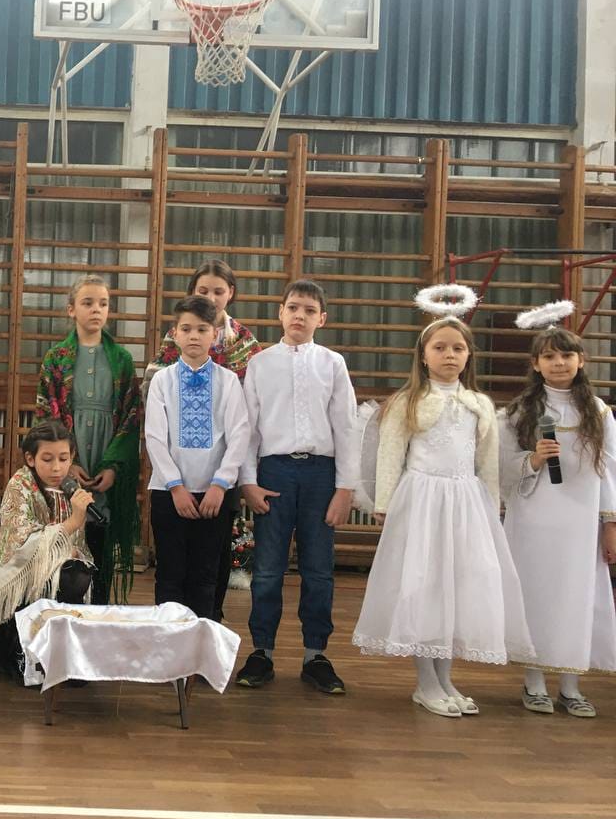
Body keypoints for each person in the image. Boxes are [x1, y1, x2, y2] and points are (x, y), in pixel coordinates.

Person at [352, 309, 534, 717]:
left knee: (457, 587)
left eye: (457, 348)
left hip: (465, 503)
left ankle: (446, 678)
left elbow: (486, 462)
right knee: (425, 586)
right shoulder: (409, 402)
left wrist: (491, 505)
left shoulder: (480, 404)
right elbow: (390, 454)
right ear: (423, 355)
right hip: (422, 501)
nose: (449, 355)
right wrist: (384, 503)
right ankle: (426, 682)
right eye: (440, 348)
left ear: (469, 355)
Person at [235, 279, 356, 694]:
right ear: (280, 313)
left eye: (309, 310)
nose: (299, 315)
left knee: (318, 570)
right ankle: (262, 652)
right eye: (293, 307)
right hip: (275, 472)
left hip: (321, 474)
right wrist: (248, 482)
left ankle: (315, 654)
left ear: (322, 319)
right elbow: (248, 429)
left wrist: (345, 489)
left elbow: (346, 426)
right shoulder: (260, 364)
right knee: (268, 569)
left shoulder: (333, 363)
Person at [499, 315, 616, 717]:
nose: (559, 363)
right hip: (534, 518)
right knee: (535, 595)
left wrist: (610, 524)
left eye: (567, 355)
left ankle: (571, 685)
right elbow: (499, 466)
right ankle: (533, 681)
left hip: (580, 524)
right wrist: (532, 460)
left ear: (581, 360)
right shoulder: (521, 411)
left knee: (576, 597)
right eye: (549, 356)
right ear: (535, 364)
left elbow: (610, 470)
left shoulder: (598, 411)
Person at [146, 258, 262, 607]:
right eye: (186, 329)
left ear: (215, 334)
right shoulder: (162, 380)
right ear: (175, 333)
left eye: (202, 329)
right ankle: (169, 640)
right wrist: (175, 486)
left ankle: (205, 641)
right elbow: (155, 437)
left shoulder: (228, 381)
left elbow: (239, 434)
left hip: (215, 493)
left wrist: (220, 484)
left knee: (207, 577)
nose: (194, 335)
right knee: (170, 576)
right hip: (169, 493)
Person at [33, 274, 141, 604]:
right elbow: (46, 415)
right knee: (63, 559)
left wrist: (112, 466)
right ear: (71, 309)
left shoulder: (121, 360)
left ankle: (99, 613)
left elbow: (131, 417)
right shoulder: (56, 358)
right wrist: (69, 463)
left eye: (103, 304)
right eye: (88, 303)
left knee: (100, 551)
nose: (97, 309)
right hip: (67, 466)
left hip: (105, 462)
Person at [0, 420, 95, 680]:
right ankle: (26, 655)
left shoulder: (71, 488)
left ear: (72, 457)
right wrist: (73, 522)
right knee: (64, 576)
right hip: (20, 574)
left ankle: (65, 656)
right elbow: (21, 542)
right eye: (47, 459)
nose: (56, 467)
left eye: (63, 459)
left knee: (78, 574)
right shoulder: (19, 486)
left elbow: (79, 544)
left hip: (59, 567)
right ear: (30, 459)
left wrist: (73, 547)